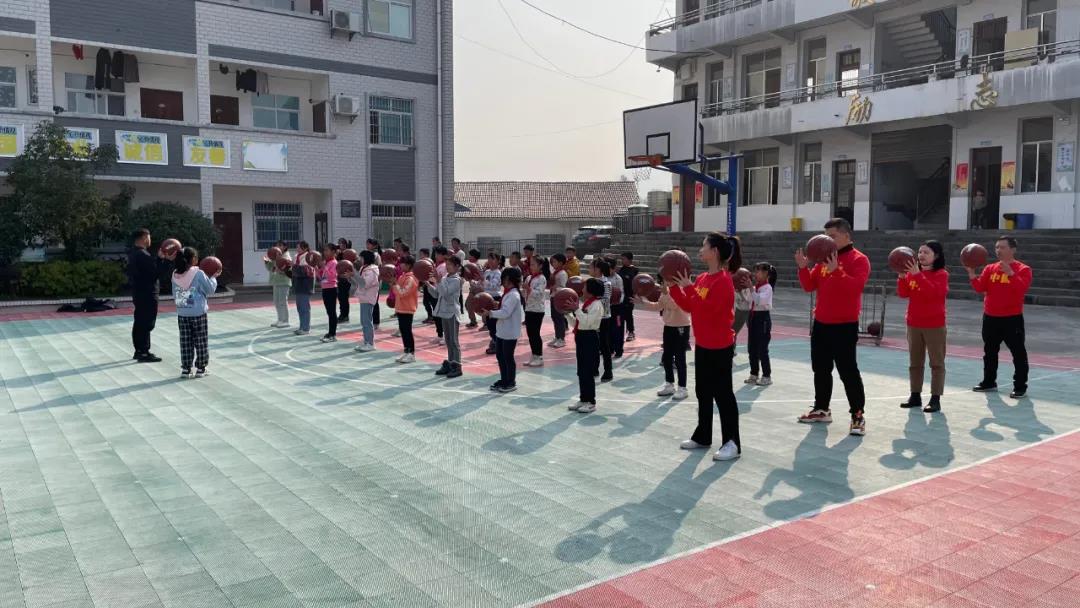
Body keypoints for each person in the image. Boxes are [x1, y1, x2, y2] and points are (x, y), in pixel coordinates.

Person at [669, 232, 742, 462]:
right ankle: (703, 436)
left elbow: (710, 310)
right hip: (703, 344)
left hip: (720, 346)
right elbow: (691, 307)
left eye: (704, 246)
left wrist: (689, 288)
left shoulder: (724, 281)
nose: (701, 250)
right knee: (703, 392)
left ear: (715, 251)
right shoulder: (702, 278)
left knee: (723, 395)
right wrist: (674, 288)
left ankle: (732, 443)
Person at [795, 218, 871, 436]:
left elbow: (855, 288)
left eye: (833, 236)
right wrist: (803, 268)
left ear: (846, 235)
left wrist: (837, 270)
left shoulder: (859, 259)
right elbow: (809, 286)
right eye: (826, 236)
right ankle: (821, 409)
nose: (827, 240)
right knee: (820, 369)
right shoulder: (822, 260)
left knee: (848, 371)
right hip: (821, 324)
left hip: (844, 326)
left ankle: (857, 415)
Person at [968, 235, 1032, 398]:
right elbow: (980, 288)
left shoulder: (1023, 269)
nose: (998, 250)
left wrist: (1011, 273)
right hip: (990, 317)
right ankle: (989, 382)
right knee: (989, 352)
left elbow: (1022, 289)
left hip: (1012, 318)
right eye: (997, 247)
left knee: (1018, 353)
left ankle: (1020, 386)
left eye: (1002, 247)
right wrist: (972, 275)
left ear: (1012, 249)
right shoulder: (990, 268)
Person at [897, 241, 949, 412]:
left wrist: (918, 275)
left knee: (936, 363)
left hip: (934, 324)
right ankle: (915, 395)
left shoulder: (941, 274)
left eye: (926, 252)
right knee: (915, 362)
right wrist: (902, 277)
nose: (921, 255)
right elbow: (903, 293)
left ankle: (935, 398)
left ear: (936, 256)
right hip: (914, 323)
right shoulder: (912, 273)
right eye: (920, 252)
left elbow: (933, 294)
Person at [634, 276, 690, 400]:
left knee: (680, 358)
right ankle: (669, 384)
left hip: (681, 327)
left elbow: (674, 305)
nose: (665, 282)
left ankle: (682, 388)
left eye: (667, 279)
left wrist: (666, 293)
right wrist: (643, 302)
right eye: (664, 280)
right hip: (668, 326)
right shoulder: (666, 291)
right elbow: (659, 306)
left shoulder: (681, 290)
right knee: (667, 357)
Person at [171, 247, 219, 378]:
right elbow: (210, 289)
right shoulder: (198, 273)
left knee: (185, 342)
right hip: (198, 313)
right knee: (200, 341)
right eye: (196, 257)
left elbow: (175, 293)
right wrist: (213, 277)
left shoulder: (175, 274)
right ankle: (201, 368)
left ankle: (186, 369)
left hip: (182, 312)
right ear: (193, 259)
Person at [127, 229, 173, 362]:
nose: (150, 239)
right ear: (144, 238)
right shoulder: (142, 255)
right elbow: (156, 273)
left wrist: (159, 258)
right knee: (146, 323)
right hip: (147, 294)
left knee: (140, 321)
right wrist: (167, 261)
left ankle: (140, 351)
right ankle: (143, 352)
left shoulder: (134, 253)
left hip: (139, 292)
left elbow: (150, 270)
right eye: (149, 236)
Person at [567, 278, 605, 413]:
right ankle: (583, 399)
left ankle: (591, 402)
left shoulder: (597, 305)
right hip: (581, 337)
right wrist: (567, 314)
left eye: (585, 287)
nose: (582, 289)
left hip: (590, 338)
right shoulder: (587, 304)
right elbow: (577, 323)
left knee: (588, 371)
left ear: (591, 290)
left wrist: (576, 309)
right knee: (581, 371)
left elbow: (587, 322)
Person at [484, 267, 524, 393]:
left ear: (507, 279)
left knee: (508, 357)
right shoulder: (508, 293)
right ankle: (504, 379)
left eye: (503, 278)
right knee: (500, 356)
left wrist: (491, 313)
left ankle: (511, 382)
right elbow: (505, 308)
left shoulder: (513, 295)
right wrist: (497, 306)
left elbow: (506, 313)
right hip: (502, 331)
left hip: (510, 332)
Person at [432, 255, 464, 378]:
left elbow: (445, 293)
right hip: (444, 312)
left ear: (457, 266)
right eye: (447, 264)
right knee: (448, 341)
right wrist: (428, 284)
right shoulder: (445, 278)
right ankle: (451, 364)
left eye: (450, 264)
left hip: (452, 313)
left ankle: (457, 366)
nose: (447, 266)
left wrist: (439, 281)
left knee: (454, 341)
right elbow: (437, 294)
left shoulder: (456, 280)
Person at [746, 263, 776, 387]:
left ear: (766, 274)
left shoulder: (767, 288)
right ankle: (754, 374)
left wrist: (751, 289)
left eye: (758, 271)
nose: (755, 274)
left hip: (762, 319)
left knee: (762, 349)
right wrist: (742, 289)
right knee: (751, 348)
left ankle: (766, 376)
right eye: (755, 271)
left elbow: (758, 300)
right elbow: (749, 301)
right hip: (753, 317)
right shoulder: (755, 287)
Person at [523, 255, 550, 367]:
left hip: (537, 310)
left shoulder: (542, 279)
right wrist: (524, 290)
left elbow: (538, 294)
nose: (531, 266)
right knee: (530, 334)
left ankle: (539, 357)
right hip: (529, 308)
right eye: (530, 264)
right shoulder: (529, 277)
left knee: (535, 333)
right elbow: (526, 293)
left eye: (534, 264)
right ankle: (534, 355)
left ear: (540, 266)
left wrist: (528, 289)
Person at [591, 259, 615, 382]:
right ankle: (594, 369)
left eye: (592, 267)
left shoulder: (606, 283)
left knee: (604, 345)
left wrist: (593, 300)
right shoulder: (594, 282)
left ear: (598, 269)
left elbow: (605, 301)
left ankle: (608, 371)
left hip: (603, 318)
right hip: (594, 317)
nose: (590, 269)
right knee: (594, 344)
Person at [393, 256, 420, 363]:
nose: (400, 265)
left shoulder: (411, 279)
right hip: (401, 308)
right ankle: (406, 351)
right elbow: (397, 292)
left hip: (408, 308)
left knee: (407, 331)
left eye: (402, 263)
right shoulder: (402, 276)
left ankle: (411, 353)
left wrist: (394, 285)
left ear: (409, 265)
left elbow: (403, 293)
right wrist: (394, 284)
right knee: (403, 331)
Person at [353, 250, 380, 352]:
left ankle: (370, 343)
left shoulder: (372, 271)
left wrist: (353, 274)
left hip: (368, 298)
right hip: (364, 297)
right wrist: (350, 277)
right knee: (364, 321)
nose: (359, 259)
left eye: (361, 257)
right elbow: (358, 283)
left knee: (367, 321)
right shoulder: (364, 268)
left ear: (366, 258)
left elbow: (364, 284)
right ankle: (366, 342)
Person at [264, 240, 292, 328]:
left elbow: (288, 271)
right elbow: (271, 269)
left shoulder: (286, 257)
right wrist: (267, 263)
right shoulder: (275, 256)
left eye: (280, 245)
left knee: (283, 301)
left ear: (285, 247)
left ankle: (285, 321)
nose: (277, 247)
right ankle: (280, 319)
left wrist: (280, 270)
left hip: (284, 282)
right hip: (276, 281)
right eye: (277, 245)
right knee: (276, 302)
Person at [317, 244, 340, 343]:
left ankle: (333, 334)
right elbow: (321, 277)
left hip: (331, 289)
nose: (325, 252)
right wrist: (317, 269)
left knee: (332, 312)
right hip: (325, 288)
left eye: (327, 250)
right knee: (329, 312)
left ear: (333, 252)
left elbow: (332, 277)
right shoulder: (326, 262)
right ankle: (330, 332)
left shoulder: (334, 263)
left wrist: (324, 267)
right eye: (324, 250)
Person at [483, 253, 504, 354]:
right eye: (489, 259)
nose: (490, 261)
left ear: (498, 261)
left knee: (493, 323)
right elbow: (483, 285)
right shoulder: (487, 272)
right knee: (489, 323)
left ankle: (497, 343)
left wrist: (483, 281)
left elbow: (494, 286)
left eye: (493, 259)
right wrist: (474, 283)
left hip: (495, 298)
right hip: (486, 298)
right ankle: (494, 340)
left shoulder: (498, 273)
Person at [292, 241, 314, 336]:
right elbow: (294, 271)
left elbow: (304, 271)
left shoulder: (308, 257)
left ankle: (306, 328)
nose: (297, 249)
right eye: (297, 247)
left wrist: (293, 266)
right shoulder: (296, 257)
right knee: (300, 308)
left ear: (305, 248)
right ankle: (301, 327)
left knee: (304, 307)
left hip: (305, 285)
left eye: (299, 247)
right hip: (298, 285)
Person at [548, 253, 569, 348]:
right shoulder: (555, 272)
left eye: (555, 262)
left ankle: (562, 339)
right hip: (553, 297)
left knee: (559, 318)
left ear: (560, 263)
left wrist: (556, 287)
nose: (553, 263)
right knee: (554, 317)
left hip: (559, 299)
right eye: (552, 262)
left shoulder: (563, 273)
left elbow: (564, 288)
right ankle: (557, 337)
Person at [617, 253, 640, 342]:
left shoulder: (635, 271)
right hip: (621, 296)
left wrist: (636, 295)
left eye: (624, 259)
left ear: (630, 260)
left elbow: (637, 284)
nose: (622, 261)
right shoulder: (621, 270)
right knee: (620, 315)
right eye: (621, 259)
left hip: (629, 296)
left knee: (628, 315)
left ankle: (631, 332)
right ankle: (620, 333)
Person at [430, 245, 449, 345]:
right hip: (436, 291)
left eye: (438, 254)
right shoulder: (436, 265)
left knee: (444, 316)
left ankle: (446, 336)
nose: (436, 256)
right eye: (435, 254)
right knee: (437, 315)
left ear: (444, 255)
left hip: (443, 293)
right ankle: (440, 335)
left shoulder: (445, 266)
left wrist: (433, 279)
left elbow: (443, 280)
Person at [365, 238, 383, 329]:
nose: (367, 245)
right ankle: (370, 321)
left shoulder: (376, 255)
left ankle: (376, 322)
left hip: (375, 280)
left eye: (369, 244)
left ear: (374, 246)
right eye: (367, 244)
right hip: (368, 280)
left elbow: (378, 268)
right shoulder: (366, 254)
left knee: (374, 302)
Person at [732, 281, 753, 354]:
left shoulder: (750, 289)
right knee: (733, 331)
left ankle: (754, 350)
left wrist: (740, 293)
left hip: (749, 312)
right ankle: (732, 348)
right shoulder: (735, 290)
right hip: (739, 311)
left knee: (752, 332)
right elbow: (733, 301)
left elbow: (747, 302)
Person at [336, 238, 353, 324]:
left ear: (345, 245)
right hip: (339, 278)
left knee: (344, 297)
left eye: (342, 244)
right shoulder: (339, 254)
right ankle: (342, 314)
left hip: (346, 279)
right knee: (341, 297)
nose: (340, 245)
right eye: (339, 243)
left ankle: (345, 315)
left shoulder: (349, 253)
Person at [465, 249, 483, 328]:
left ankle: (482, 320)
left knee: (471, 305)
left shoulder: (477, 266)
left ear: (474, 257)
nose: (469, 257)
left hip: (477, 289)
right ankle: (474, 321)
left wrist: (473, 280)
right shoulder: (470, 265)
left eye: (470, 255)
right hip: (473, 288)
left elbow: (480, 278)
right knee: (468, 305)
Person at [419, 248, 436, 324]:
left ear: (426, 254)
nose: (420, 256)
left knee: (432, 301)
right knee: (426, 301)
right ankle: (430, 316)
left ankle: (434, 317)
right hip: (426, 284)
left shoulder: (429, 262)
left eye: (421, 254)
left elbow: (431, 274)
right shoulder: (422, 263)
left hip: (431, 284)